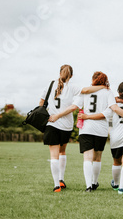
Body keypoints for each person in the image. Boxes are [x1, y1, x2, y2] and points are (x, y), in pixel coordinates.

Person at [49, 72, 123, 192]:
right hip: (100, 130)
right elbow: (113, 109)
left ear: (93, 80)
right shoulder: (108, 92)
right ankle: (94, 182)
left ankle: (88, 186)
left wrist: (58, 115)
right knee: (97, 158)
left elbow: (73, 107)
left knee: (87, 158)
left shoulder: (85, 91)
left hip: (86, 129)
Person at [40, 64, 81, 193]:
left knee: (54, 155)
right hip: (66, 125)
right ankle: (61, 179)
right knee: (62, 152)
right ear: (72, 76)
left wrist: (51, 115)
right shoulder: (73, 87)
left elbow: (41, 103)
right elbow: (76, 105)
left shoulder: (50, 85)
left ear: (59, 73)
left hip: (51, 124)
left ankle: (56, 184)